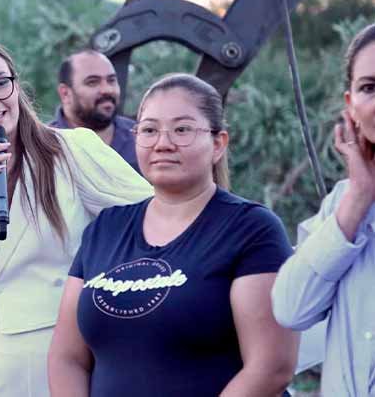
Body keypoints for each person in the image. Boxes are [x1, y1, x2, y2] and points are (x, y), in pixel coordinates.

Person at [0, 35, 153, 396]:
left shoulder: (73, 151)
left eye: (0, 83)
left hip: (73, 359)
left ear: (16, 84)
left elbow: (157, 223)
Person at [48, 73, 299, 396]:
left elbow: (271, 367)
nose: (163, 143)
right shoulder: (105, 229)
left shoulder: (251, 229)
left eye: (182, 130)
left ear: (218, 143)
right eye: (149, 130)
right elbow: (66, 357)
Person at [271, 23, 375, 396]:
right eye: (370, 88)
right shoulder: (343, 203)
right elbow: (291, 310)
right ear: (351, 108)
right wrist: (359, 198)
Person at [51, 49, 140, 174]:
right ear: (65, 93)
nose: (107, 89)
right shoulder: (41, 147)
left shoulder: (141, 138)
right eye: (92, 82)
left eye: (111, 80)